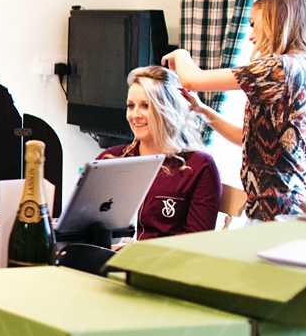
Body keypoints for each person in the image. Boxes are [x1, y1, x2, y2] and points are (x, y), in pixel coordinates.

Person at [164, 0, 306, 222]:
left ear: (276, 21)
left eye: (253, 24)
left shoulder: (278, 68)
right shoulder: (303, 68)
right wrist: (201, 109)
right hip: (287, 205)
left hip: (276, 211)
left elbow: (193, 79)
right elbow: (248, 139)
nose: (250, 36)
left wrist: (181, 53)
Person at [94, 66, 221, 240]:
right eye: (131, 106)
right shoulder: (110, 159)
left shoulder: (199, 166)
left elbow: (197, 243)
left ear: (168, 109)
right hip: (109, 259)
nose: (135, 115)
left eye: (146, 106)